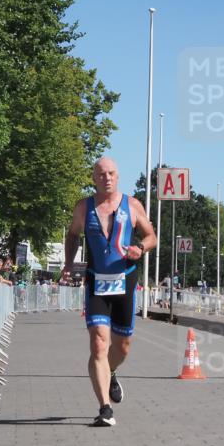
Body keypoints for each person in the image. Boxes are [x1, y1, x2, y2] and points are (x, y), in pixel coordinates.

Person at [62, 156, 157, 427]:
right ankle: (104, 408)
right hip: (96, 281)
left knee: (122, 346)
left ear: (118, 176)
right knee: (98, 344)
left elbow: (152, 236)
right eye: (101, 174)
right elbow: (72, 235)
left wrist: (141, 248)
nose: (107, 178)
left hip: (125, 280)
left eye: (111, 173)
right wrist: (68, 263)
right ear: (94, 178)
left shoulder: (132, 205)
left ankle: (112, 371)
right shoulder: (84, 207)